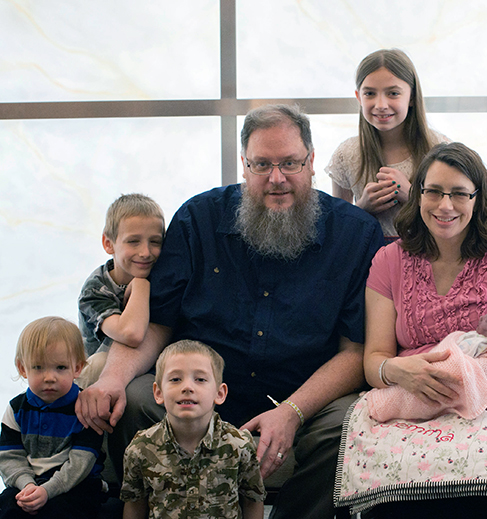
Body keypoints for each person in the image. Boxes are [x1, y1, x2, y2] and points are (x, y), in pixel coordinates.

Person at [75, 104, 385, 519]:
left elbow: (355, 351)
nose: (276, 178)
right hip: (199, 390)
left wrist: (291, 412)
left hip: (302, 395)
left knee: (348, 421)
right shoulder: (197, 219)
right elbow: (160, 322)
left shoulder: (356, 234)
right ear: (244, 165)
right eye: (262, 164)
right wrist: (112, 378)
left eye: (290, 163)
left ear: (311, 162)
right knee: (131, 397)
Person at [362, 142, 487, 518]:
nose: (445, 205)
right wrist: (399, 371)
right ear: (418, 196)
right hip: (412, 402)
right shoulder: (389, 260)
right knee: (392, 501)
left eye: (460, 193)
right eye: (433, 191)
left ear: (478, 199)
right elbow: (373, 361)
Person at [120, 340, 265, 519]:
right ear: (158, 393)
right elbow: (134, 506)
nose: (187, 387)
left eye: (200, 379)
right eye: (175, 379)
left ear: (219, 394)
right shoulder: (140, 448)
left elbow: (253, 501)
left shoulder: (239, 445)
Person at [326, 48, 448, 240]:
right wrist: (362, 208)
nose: (381, 104)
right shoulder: (346, 154)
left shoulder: (439, 148)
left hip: (429, 258)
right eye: (370, 94)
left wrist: (412, 196)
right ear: (359, 97)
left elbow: (455, 212)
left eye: (393, 93)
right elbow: (337, 230)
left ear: (412, 97)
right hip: (368, 262)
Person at [0, 317, 105, 519]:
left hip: (74, 484)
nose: (49, 377)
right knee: (8, 506)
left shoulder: (84, 408)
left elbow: (81, 463)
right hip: (29, 482)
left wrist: (48, 490)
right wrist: (28, 486)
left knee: (60, 510)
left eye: (60, 368)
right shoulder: (16, 409)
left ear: (77, 368)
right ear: (23, 369)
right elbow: (9, 457)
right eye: (38, 367)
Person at [77, 193, 165, 387]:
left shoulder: (164, 276)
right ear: (108, 244)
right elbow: (131, 334)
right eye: (133, 241)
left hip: (145, 367)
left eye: (155, 242)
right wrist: (141, 285)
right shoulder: (95, 290)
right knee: (100, 363)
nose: (145, 252)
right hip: (95, 379)